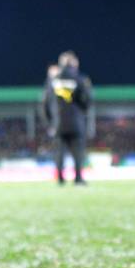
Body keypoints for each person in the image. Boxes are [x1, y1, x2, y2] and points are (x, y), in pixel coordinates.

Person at [40, 51, 93, 185]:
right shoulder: (80, 79)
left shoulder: (53, 80)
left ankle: (60, 179)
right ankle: (78, 179)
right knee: (78, 151)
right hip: (76, 122)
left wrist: (49, 123)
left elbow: (44, 104)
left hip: (58, 123)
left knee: (59, 152)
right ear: (74, 63)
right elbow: (87, 101)